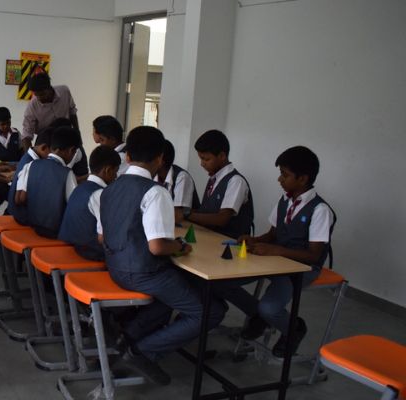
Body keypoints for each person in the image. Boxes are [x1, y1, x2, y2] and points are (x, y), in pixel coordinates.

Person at [98, 126, 226, 385]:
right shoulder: (155, 192)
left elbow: (104, 235)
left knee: (173, 296)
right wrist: (179, 246)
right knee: (210, 311)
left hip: (115, 267)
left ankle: (126, 338)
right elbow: (157, 247)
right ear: (159, 159)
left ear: (127, 156)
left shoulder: (110, 187)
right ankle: (142, 352)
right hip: (143, 273)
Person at [214, 146, 335, 357]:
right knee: (221, 283)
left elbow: (313, 255)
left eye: (285, 175)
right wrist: (254, 240)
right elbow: (272, 234)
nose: (279, 179)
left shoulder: (320, 210)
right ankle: (259, 316)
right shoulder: (285, 200)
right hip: (274, 261)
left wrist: (276, 250)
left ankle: (293, 329)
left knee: (270, 308)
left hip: (300, 268)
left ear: (302, 179)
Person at [186, 130, 254, 239]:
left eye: (206, 159)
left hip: (229, 243)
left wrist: (186, 214)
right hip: (210, 237)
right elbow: (206, 212)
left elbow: (222, 219)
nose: (202, 164)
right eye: (201, 158)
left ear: (222, 156)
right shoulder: (214, 179)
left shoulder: (236, 181)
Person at [14, 127, 78, 238]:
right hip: (56, 231)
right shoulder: (67, 173)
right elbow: (74, 207)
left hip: (34, 226)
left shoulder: (31, 165)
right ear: (71, 151)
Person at [58, 145, 120, 260]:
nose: (116, 177)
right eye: (115, 172)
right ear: (107, 170)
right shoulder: (100, 194)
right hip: (91, 252)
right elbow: (104, 236)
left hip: (74, 244)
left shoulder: (80, 188)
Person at [21, 73, 78, 152]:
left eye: (42, 94)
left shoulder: (64, 91)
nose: (39, 98)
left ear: (49, 88)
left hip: (66, 136)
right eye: (36, 95)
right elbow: (26, 135)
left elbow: (72, 113)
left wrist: (77, 134)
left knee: (79, 157)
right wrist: (29, 156)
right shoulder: (32, 105)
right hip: (46, 142)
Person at [6, 128, 52, 225]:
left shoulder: (28, 156)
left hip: (17, 210)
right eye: (52, 152)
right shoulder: (32, 164)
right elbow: (20, 199)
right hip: (22, 215)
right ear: (44, 148)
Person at [155, 140, 199, 224]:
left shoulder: (182, 177)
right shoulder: (154, 176)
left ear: (160, 161)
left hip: (189, 227)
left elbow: (177, 216)